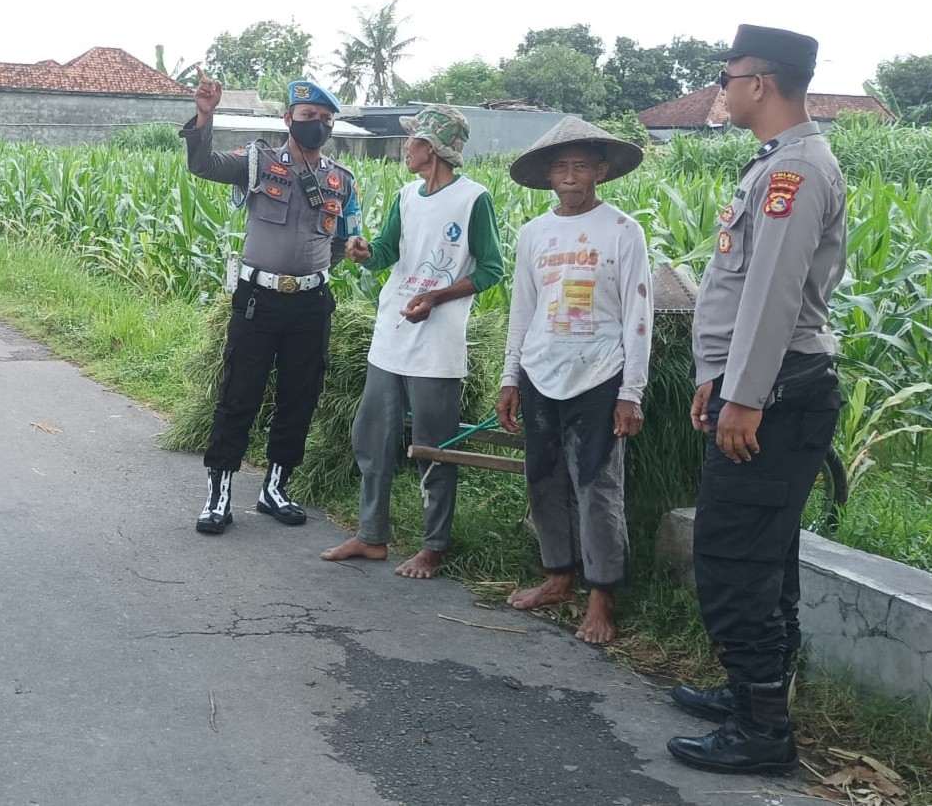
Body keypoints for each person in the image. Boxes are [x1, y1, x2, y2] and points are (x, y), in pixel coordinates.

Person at [666, 25, 847, 775]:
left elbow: (772, 298)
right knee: (765, 557)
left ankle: (762, 730)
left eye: (727, 74)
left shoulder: (794, 174)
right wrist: (718, 376)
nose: (721, 86)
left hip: (775, 395)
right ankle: (753, 695)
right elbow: (742, 296)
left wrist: (743, 398)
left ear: (761, 83)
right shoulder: (780, 164)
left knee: (734, 558)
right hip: (765, 388)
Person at [320, 106, 504, 579]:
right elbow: (386, 252)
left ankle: (433, 546)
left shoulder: (473, 200)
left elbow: (490, 269)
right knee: (372, 435)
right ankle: (371, 535)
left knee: (433, 445)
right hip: (392, 334)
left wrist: (437, 296)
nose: (406, 148)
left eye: (413, 141)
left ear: (434, 149)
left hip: (437, 343)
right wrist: (362, 253)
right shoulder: (406, 195)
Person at [180, 74, 361, 534]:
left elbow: (342, 242)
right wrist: (205, 114)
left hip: (310, 304)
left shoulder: (342, 181)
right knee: (239, 395)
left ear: (331, 127)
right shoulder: (258, 161)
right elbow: (203, 164)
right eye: (307, 117)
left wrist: (310, 273)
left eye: (323, 120)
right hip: (258, 300)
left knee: (299, 398)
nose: (315, 125)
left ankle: (275, 488)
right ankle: (218, 495)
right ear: (288, 119)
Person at [496, 117, 653, 645]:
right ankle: (558, 575)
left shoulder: (623, 231)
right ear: (547, 175)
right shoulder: (533, 234)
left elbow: (638, 313)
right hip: (542, 370)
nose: (570, 175)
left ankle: (601, 595)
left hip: (600, 373)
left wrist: (631, 390)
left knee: (597, 485)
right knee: (543, 477)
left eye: (580, 166)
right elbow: (524, 307)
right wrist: (509, 375)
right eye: (561, 166)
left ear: (600, 172)